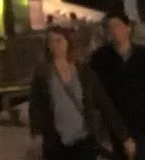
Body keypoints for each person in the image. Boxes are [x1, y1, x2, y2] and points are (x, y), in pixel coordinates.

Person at [28, 23, 134, 159]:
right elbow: (35, 106)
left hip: (83, 142)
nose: (54, 45)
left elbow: (104, 104)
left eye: (58, 40)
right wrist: (37, 135)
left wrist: (124, 138)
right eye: (50, 41)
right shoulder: (43, 74)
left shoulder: (83, 72)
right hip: (56, 144)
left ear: (68, 42)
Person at [91, 11, 145, 152]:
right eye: (110, 27)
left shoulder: (142, 55)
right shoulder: (99, 59)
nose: (114, 31)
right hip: (117, 126)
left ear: (128, 28)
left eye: (118, 25)